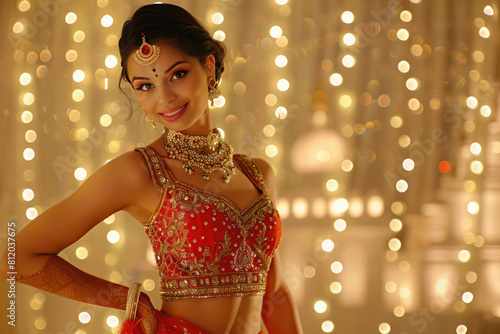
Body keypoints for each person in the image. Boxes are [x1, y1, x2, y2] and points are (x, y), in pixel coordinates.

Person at [1, 3, 303, 334]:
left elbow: (275, 293)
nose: (165, 98)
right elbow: (16, 257)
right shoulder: (140, 172)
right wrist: (128, 300)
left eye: (178, 74)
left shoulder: (258, 174)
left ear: (209, 67)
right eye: (145, 85)